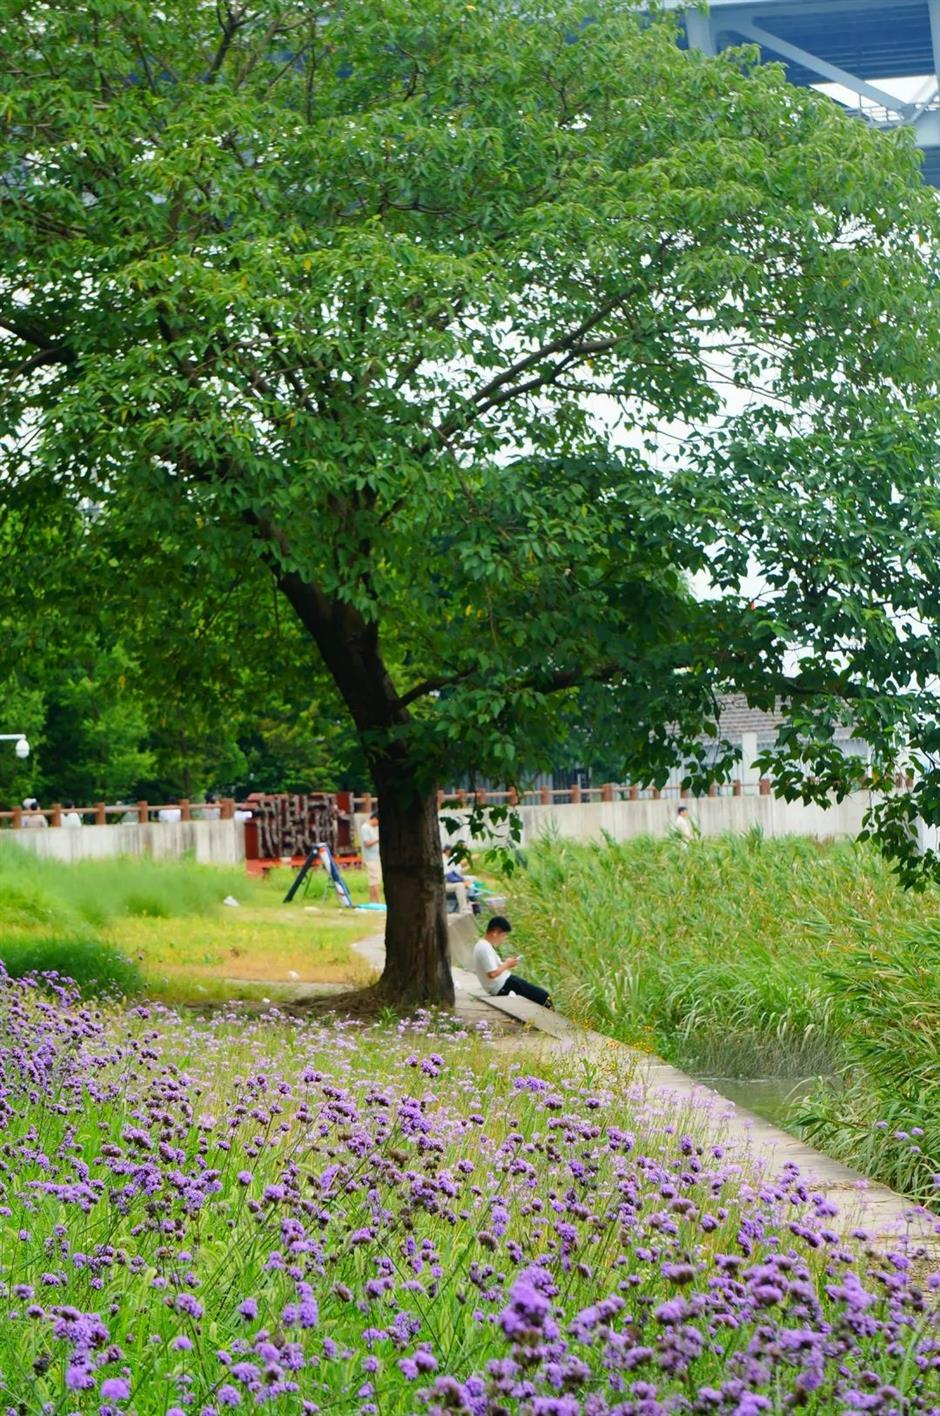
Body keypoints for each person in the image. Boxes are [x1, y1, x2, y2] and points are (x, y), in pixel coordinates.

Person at [472, 915, 553, 1009]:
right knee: (544, 996)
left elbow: (493, 970)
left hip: (505, 982)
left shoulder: (484, 945)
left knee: (542, 995)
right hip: (502, 986)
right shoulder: (484, 948)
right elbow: (492, 974)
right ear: (495, 933)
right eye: (503, 935)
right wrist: (507, 964)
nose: (503, 939)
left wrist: (507, 963)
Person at [360, 811, 382, 903]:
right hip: (371, 857)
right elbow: (366, 843)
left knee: (374, 879)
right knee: (375, 880)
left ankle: (372, 901)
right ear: (374, 819)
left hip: (376, 856)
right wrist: (377, 840)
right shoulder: (365, 828)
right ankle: (378, 901)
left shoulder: (373, 828)